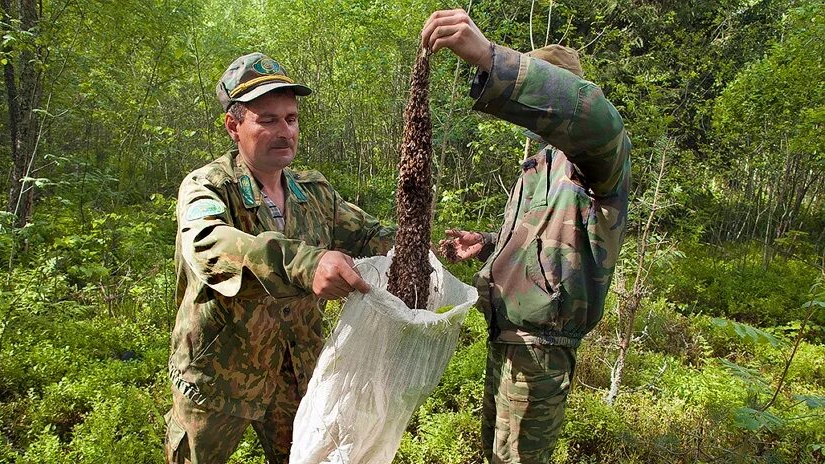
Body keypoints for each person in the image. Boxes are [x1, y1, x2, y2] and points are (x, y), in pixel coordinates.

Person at [163, 52, 395, 464]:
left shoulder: (314, 191)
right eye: (267, 119)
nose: (284, 130)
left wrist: (429, 247)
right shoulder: (208, 186)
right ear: (234, 126)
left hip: (297, 374)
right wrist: (307, 264)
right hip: (219, 375)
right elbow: (207, 243)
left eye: (291, 118)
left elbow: (374, 236)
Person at [424, 10, 631, 463]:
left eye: (541, 93)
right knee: (493, 456)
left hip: (543, 349)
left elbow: (598, 118)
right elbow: (547, 238)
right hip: (507, 337)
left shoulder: (596, 162)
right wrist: (489, 242)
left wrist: (491, 58)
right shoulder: (538, 167)